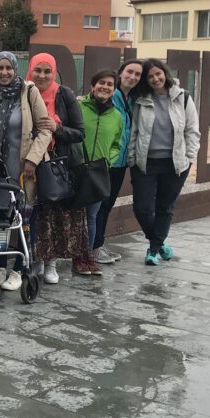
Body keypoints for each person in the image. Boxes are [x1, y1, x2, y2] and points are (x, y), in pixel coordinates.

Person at [0, 52, 51, 291]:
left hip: (25, 169)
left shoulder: (29, 92)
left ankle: (20, 268)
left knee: (24, 219)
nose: (4, 72)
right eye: (0, 68)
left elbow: (45, 129)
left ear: (16, 69)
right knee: (0, 218)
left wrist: (32, 159)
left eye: (9, 68)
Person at [127, 59, 200, 265]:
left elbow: (192, 131)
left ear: (165, 73)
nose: (155, 79)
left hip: (175, 164)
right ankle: (159, 244)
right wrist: (132, 159)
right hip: (145, 163)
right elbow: (134, 131)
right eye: (150, 77)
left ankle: (153, 250)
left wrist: (189, 158)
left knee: (165, 207)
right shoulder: (140, 100)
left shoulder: (183, 97)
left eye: (158, 74)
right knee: (141, 207)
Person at [26, 53, 91, 282]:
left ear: (54, 73)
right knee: (35, 215)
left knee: (56, 216)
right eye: (38, 70)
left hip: (58, 166)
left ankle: (51, 263)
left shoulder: (64, 94)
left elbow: (80, 133)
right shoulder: (23, 92)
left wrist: (57, 127)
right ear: (30, 70)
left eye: (47, 71)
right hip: (31, 165)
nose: (42, 75)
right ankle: (35, 261)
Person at [93, 59, 143, 264]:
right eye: (129, 72)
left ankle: (97, 245)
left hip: (121, 162)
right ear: (120, 73)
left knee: (107, 205)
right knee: (100, 206)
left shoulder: (133, 98)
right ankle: (94, 248)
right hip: (105, 161)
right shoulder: (110, 95)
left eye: (138, 74)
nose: (132, 77)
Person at [79, 70, 124, 272]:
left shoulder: (116, 116)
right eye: (101, 83)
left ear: (114, 90)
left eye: (110, 84)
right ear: (92, 86)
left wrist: (109, 160)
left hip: (99, 171)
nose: (105, 87)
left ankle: (86, 258)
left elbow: (117, 143)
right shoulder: (78, 106)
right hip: (76, 169)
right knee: (70, 216)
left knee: (91, 216)